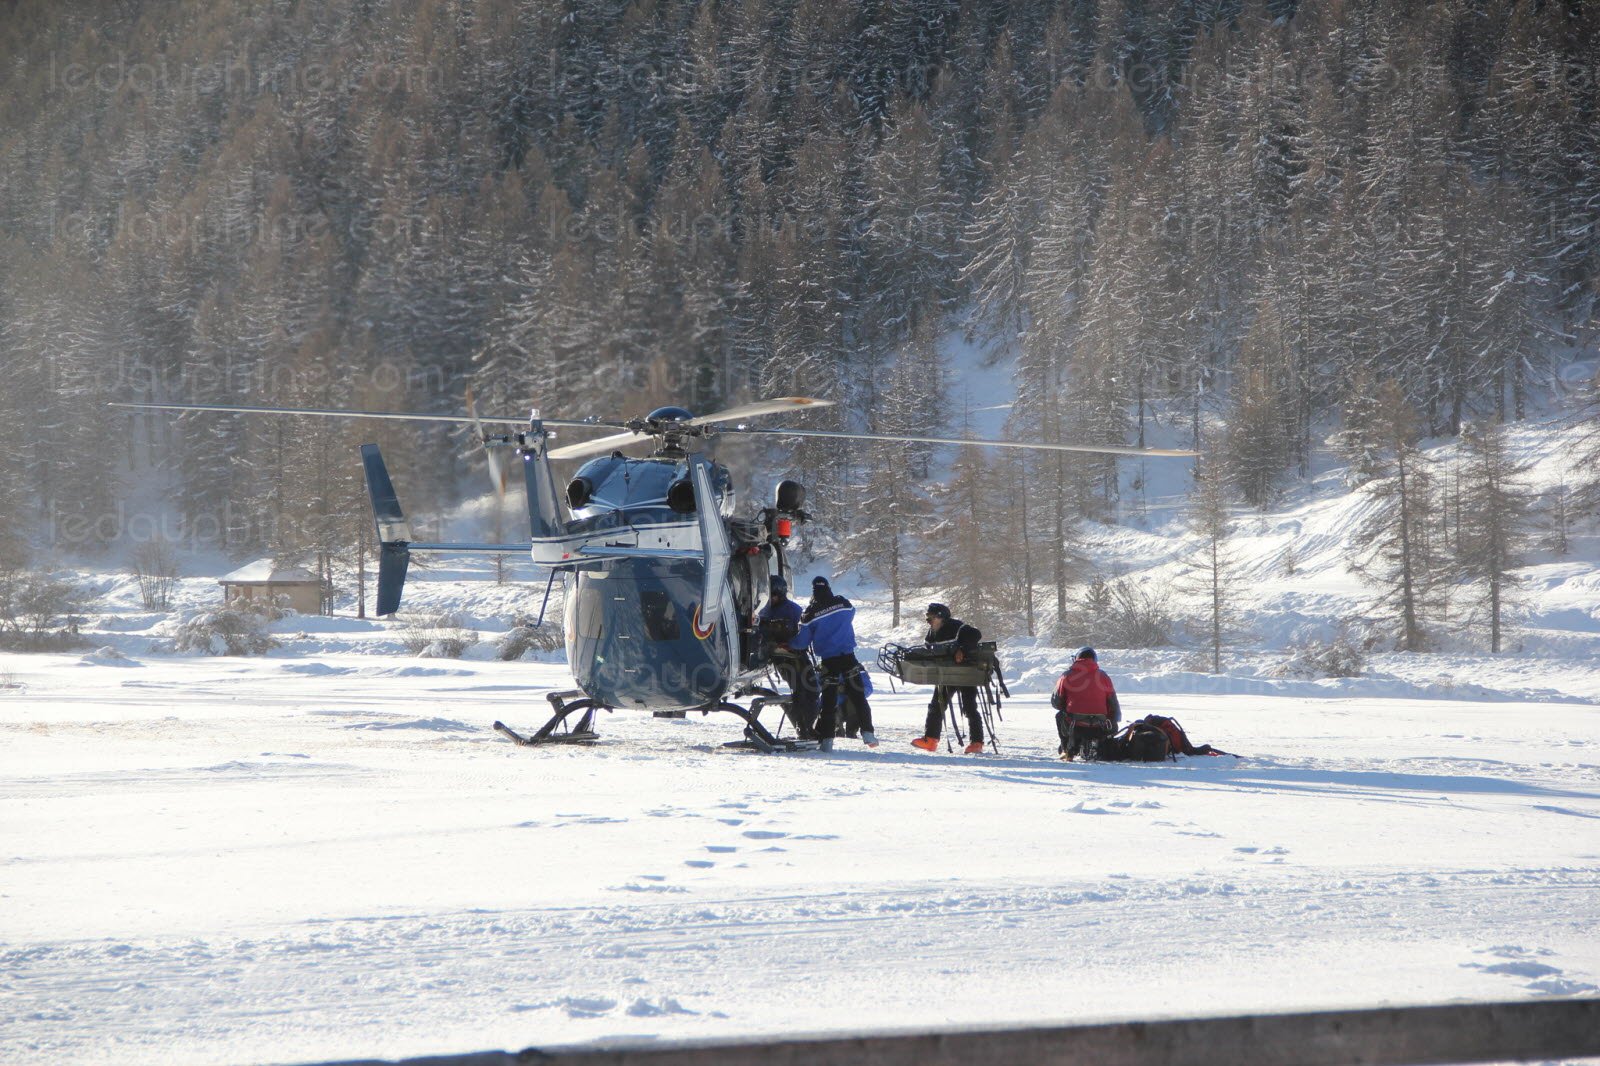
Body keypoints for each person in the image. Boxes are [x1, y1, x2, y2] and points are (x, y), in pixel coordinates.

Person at [784, 576, 878, 751]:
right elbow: (852, 612)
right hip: (849, 657)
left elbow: (801, 643)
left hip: (829, 661)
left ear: (813, 592)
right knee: (858, 697)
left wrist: (788, 641)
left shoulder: (810, 613)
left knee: (828, 701)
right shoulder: (843, 604)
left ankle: (827, 741)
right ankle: (868, 734)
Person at [910, 603, 985, 754]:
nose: (928, 622)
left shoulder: (956, 627)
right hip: (946, 675)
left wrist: (961, 649)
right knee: (936, 706)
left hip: (966, 674)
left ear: (940, 617)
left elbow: (976, 634)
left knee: (969, 707)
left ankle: (976, 743)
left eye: (930, 618)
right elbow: (928, 650)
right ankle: (930, 740)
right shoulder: (932, 633)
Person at [755, 575, 820, 739]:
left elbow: (802, 632)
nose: (772, 599)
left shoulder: (793, 610)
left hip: (796, 655)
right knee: (802, 691)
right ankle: (803, 728)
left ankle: (807, 726)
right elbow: (761, 634)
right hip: (784, 658)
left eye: (774, 595)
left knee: (811, 690)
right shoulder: (765, 611)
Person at [1051, 647, 1121, 760]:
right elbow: (1113, 702)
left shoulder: (1066, 676)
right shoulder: (1103, 676)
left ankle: (1066, 750)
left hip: (1074, 723)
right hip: (1100, 724)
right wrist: (1114, 720)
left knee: (1059, 716)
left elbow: (1056, 702)